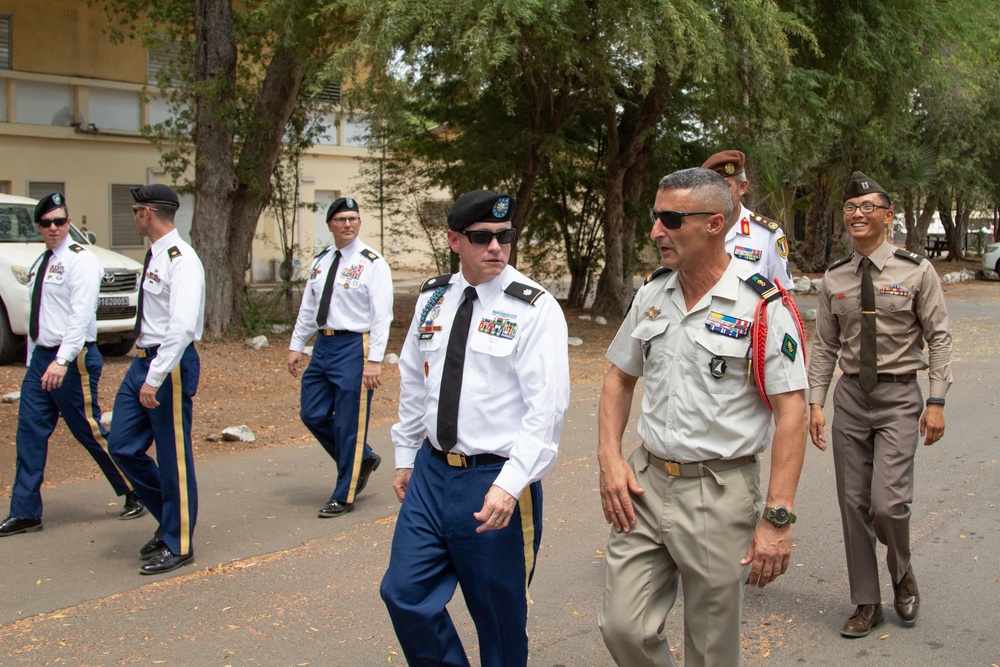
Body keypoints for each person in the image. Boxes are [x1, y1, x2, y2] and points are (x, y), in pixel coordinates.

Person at [597, 168, 808, 667]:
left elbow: (792, 412)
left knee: (712, 649)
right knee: (622, 627)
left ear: (714, 224)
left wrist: (777, 516)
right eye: (655, 216)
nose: (655, 231)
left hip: (718, 491)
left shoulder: (763, 305)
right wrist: (610, 459)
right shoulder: (653, 294)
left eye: (671, 219)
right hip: (645, 486)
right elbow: (617, 378)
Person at [380, 189, 570, 667]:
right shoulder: (433, 297)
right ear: (453, 241)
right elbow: (412, 376)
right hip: (431, 472)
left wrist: (511, 485)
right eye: (481, 237)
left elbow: (545, 410)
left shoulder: (533, 307)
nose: (495, 248)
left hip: (494, 478)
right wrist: (406, 456)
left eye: (504, 237)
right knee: (404, 592)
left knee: (498, 618)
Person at [808, 171, 952, 638]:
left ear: (888, 218)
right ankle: (866, 602)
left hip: (897, 396)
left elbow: (940, 338)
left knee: (887, 504)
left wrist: (936, 400)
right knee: (852, 504)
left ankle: (901, 572)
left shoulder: (916, 270)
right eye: (851, 207)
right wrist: (816, 401)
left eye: (868, 207)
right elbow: (825, 347)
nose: (857, 214)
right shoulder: (835, 277)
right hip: (851, 395)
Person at [0, 193, 144, 537]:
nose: (54, 228)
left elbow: (81, 316)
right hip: (42, 360)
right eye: (47, 222)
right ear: (39, 226)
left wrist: (63, 361)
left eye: (60, 221)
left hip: (73, 358)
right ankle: (25, 512)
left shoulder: (81, 261)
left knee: (88, 430)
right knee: (30, 432)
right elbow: (39, 313)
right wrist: (37, 357)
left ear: (69, 224)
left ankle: (135, 489)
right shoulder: (40, 262)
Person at [108, 184, 205, 575]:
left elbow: (181, 327)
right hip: (144, 361)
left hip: (169, 365)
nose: (133, 217)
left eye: (135, 211)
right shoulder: (156, 255)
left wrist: (156, 376)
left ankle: (179, 541)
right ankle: (168, 521)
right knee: (123, 446)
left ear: (147, 213)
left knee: (172, 456)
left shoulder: (183, 260)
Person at [287, 197, 392, 517]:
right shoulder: (322, 261)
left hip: (353, 347)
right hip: (323, 346)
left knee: (349, 423)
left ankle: (344, 494)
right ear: (330, 224)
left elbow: (381, 316)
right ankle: (362, 458)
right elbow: (309, 307)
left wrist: (374, 360)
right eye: (341, 219)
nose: (348, 224)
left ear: (359, 223)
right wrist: (296, 345)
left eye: (354, 219)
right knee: (312, 413)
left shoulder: (372, 262)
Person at [702, 149, 793, 286]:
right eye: (711, 187)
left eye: (725, 186)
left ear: (742, 187)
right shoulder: (693, 230)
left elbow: (783, 294)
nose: (717, 194)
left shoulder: (766, 235)